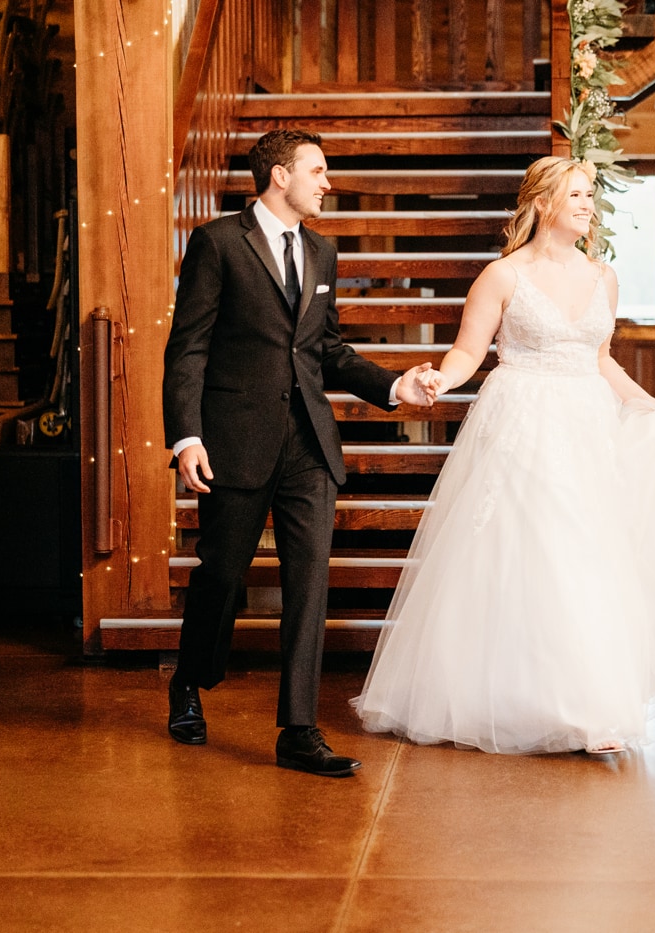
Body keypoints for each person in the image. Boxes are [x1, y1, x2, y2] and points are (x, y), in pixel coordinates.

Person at [352, 156, 655, 755]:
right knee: (536, 551)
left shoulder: (604, 276)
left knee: (589, 556)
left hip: (588, 423)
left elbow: (601, 359)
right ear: (543, 203)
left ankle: (594, 709)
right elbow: (469, 353)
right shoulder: (502, 276)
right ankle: (516, 696)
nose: (589, 204)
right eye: (577, 194)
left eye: (591, 194)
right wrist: (440, 378)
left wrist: (651, 405)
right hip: (521, 420)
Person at [162, 128, 435, 776]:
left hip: (309, 443)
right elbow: (189, 346)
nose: (327, 183)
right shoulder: (217, 243)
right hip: (234, 440)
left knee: (309, 585)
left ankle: (299, 729)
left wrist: (391, 386)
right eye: (317, 170)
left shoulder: (322, 250)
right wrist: (187, 436)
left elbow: (325, 349)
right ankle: (190, 680)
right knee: (221, 575)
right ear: (280, 175)